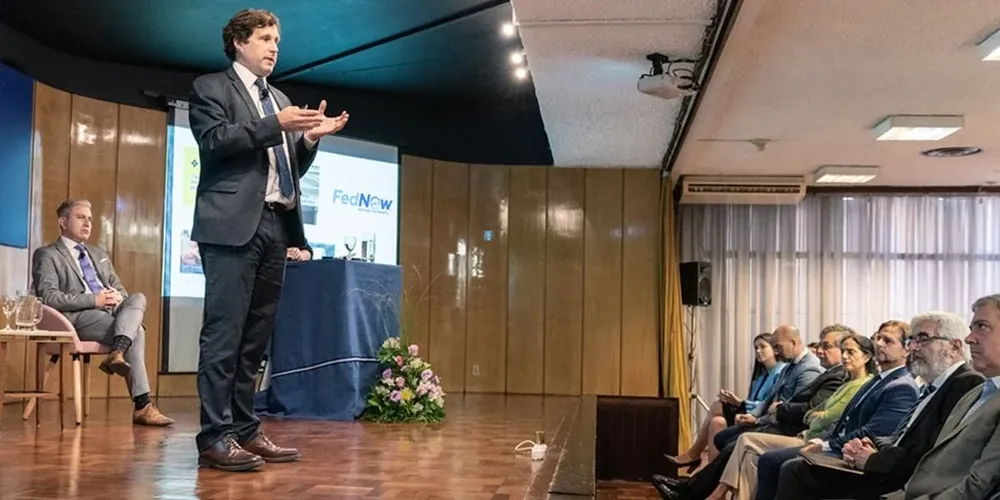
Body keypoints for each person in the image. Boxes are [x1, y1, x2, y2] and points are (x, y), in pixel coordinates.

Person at [188, 8, 349, 472]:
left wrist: (310, 140)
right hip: (230, 226)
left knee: (255, 339)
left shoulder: (277, 96)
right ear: (239, 42)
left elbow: (286, 171)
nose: (274, 47)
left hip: (276, 227)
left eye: (276, 39)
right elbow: (216, 142)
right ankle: (214, 437)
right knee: (225, 336)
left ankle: (243, 429)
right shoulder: (210, 88)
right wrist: (276, 124)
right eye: (263, 37)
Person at [774, 311, 983, 500]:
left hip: (904, 480)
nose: (914, 346)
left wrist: (873, 459)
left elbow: (932, 450)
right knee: (798, 469)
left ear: (954, 347)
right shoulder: (933, 385)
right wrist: (871, 445)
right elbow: (905, 436)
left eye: (923, 338)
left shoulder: (965, 382)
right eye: (913, 339)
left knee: (797, 471)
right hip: (890, 465)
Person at [31, 199, 174, 426]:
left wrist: (117, 298)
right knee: (136, 331)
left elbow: (120, 289)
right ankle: (142, 404)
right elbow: (49, 297)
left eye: (90, 219)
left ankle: (118, 353)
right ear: (63, 221)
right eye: (80, 217)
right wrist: (94, 300)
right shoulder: (47, 254)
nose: (87, 223)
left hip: (112, 312)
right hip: (77, 318)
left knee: (138, 298)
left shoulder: (98, 254)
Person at [708, 333, 878, 500]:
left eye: (851, 352)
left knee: (752, 447)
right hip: (806, 433)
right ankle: (725, 492)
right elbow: (815, 411)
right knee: (744, 446)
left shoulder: (860, 383)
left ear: (867, 357)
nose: (845, 357)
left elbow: (825, 417)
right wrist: (813, 415)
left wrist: (813, 416)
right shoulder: (846, 382)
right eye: (843, 352)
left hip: (815, 438)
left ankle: (717, 491)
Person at [883, 294, 1000, 500]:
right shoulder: (975, 393)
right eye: (972, 328)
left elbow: (978, 486)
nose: (969, 338)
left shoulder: (967, 383)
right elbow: (935, 462)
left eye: (981, 326)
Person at [667, 333, 787, 470]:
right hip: (749, 413)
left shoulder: (780, 373)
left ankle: (694, 454)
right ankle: (711, 474)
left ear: (774, 349)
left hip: (760, 419)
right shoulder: (760, 377)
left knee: (717, 405)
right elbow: (755, 401)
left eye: (763, 347)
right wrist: (737, 402)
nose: (758, 351)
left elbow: (768, 406)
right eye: (755, 348)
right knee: (717, 422)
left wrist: (741, 402)